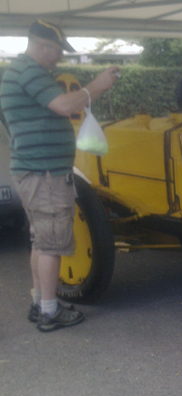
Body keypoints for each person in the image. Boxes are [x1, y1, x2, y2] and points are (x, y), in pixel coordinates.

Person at [0, 20, 120, 332]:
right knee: (52, 243)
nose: (58, 58)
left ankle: (40, 302)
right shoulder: (30, 72)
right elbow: (65, 105)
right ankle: (50, 313)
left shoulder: (20, 72)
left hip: (36, 170)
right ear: (42, 46)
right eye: (56, 51)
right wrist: (96, 85)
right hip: (45, 174)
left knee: (40, 240)